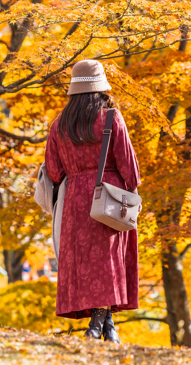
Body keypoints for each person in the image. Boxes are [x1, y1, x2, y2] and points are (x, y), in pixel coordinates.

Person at [43, 59, 141, 342]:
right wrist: (132, 194)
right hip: (109, 197)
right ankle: (97, 327)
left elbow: (54, 172)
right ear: (100, 88)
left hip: (75, 201)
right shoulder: (111, 118)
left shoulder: (59, 126)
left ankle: (107, 327)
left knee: (87, 264)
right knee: (107, 262)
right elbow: (130, 169)